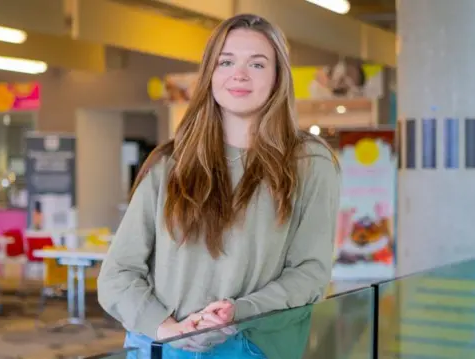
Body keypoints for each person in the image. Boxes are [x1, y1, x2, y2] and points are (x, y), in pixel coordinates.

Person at [97, 13, 341, 358]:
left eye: (257, 64)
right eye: (226, 61)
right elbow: (117, 275)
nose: (239, 74)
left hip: (253, 345)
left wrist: (239, 312)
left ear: (277, 77)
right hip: (162, 346)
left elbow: (310, 274)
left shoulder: (309, 163)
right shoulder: (169, 162)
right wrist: (168, 329)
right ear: (210, 73)